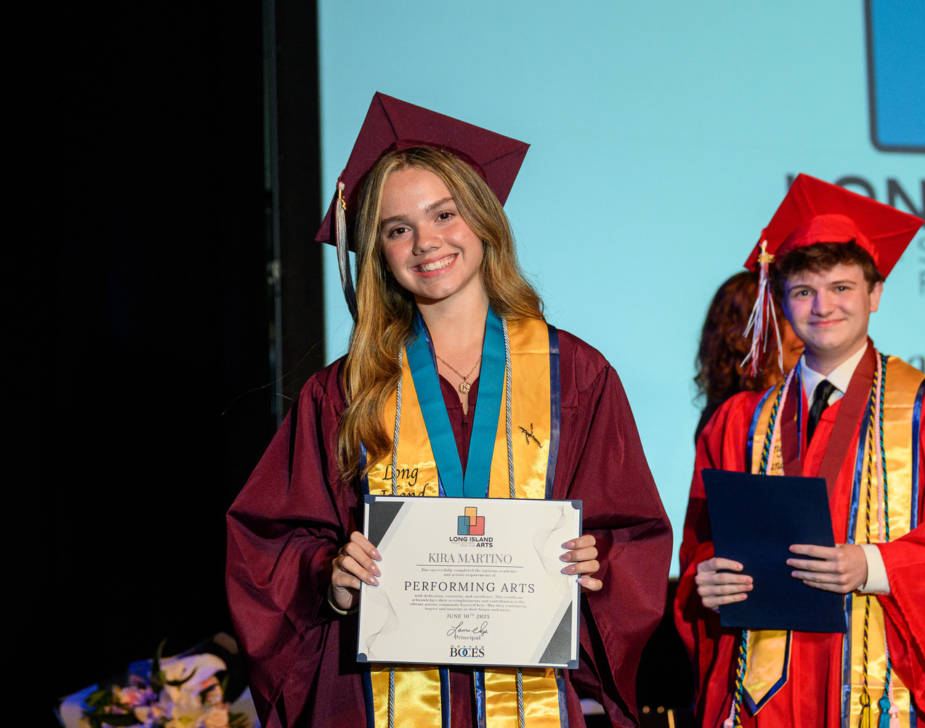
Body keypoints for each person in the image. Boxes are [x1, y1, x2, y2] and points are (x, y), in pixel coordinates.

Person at [226, 93, 672, 728]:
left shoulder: (576, 374)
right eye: (397, 228)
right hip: (375, 701)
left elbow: (631, 532)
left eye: (443, 214)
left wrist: (597, 561)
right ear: (378, 251)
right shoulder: (345, 390)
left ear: (483, 219)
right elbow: (267, 545)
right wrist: (330, 574)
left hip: (531, 696)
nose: (425, 242)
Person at [674, 174, 925, 728]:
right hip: (766, 697)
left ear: (874, 295)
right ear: (782, 301)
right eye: (803, 292)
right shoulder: (738, 423)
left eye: (841, 287)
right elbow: (702, 545)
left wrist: (873, 565)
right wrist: (707, 578)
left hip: (880, 689)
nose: (823, 306)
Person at [694, 270, 803, 441]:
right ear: (753, 336)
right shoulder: (727, 426)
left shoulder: (812, 401)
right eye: (788, 320)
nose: (804, 332)